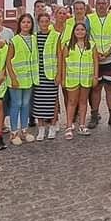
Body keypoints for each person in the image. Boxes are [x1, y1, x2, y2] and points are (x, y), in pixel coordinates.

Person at [86, 0, 111, 129]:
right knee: (95, 88)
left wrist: (107, 53)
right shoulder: (89, 18)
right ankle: (94, 115)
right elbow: (86, 36)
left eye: (103, 4)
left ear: (107, 5)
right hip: (94, 60)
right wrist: (95, 53)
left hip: (110, 59)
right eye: (98, 4)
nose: (101, 6)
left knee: (110, 88)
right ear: (95, 6)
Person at [59, 22, 97, 138]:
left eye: (82, 30)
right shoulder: (68, 45)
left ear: (86, 32)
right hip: (72, 78)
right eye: (77, 30)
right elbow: (64, 63)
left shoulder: (92, 45)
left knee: (83, 102)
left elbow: (95, 61)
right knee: (72, 102)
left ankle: (82, 125)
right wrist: (63, 78)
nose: (80, 32)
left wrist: (95, 76)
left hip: (86, 78)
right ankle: (69, 126)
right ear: (73, 32)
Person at [6, 14, 37, 145]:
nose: (26, 24)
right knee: (16, 104)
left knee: (25, 104)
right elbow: (8, 60)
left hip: (29, 78)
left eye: (28, 22)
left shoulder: (34, 39)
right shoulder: (15, 40)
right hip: (17, 78)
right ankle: (14, 132)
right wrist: (12, 77)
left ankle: (24, 130)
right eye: (23, 22)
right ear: (19, 24)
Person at [32, 12, 62, 141]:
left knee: (52, 101)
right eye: (42, 22)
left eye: (46, 21)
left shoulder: (55, 36)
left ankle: (52, 125)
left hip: (51, 73)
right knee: (38, 101)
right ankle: (41, 128)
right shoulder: (34, 37)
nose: (44, 24)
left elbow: (59, 56)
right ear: (38, 23)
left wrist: (59, 73)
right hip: (38, 74)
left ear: (50, 22)